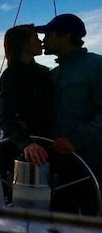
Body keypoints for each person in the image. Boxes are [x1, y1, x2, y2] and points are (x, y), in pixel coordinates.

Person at [33, 13, 102, 215]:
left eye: (48, 34)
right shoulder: (52, 75)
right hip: (59, 167)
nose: (44, 40)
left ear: (65, 36)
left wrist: (75, 141)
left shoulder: (97, 67)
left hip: (93, 166)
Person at [0, 24, 53, 204]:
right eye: (35, 37)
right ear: (24, 44)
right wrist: (26, 143)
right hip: (18, 153)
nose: (40, 41)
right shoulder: (12, 75)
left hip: (46, 150)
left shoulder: (43, 74)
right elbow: (5, 116)